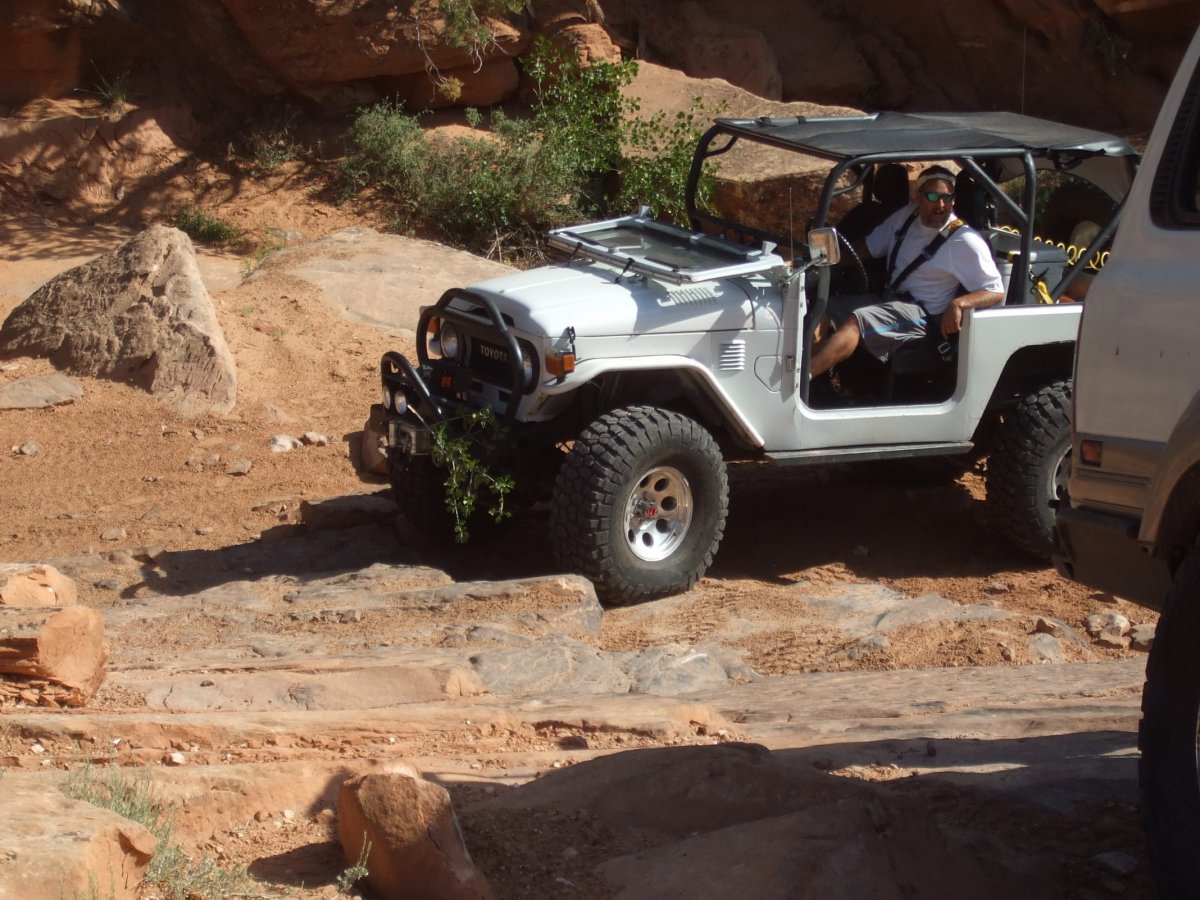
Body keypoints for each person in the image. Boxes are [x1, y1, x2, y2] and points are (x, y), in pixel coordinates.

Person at [810, 165, 1005, 380]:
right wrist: (824, 262)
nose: (941, 205)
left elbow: (995, 291)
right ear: (918, 196)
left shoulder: (965, 240)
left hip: (923, 315)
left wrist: (959, 304)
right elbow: (868, 247)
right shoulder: (906, 217)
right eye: (933, 196)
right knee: (823, 305)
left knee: (859, 320)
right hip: (890, 300)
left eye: (947, 197)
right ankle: (815, 381)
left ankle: (800, 384)